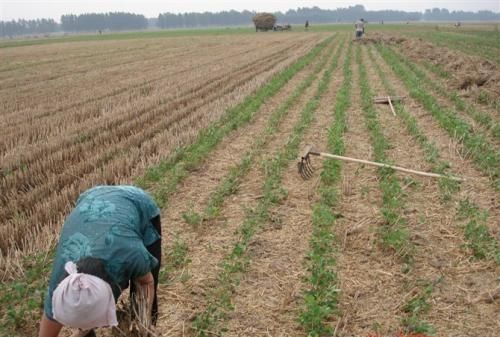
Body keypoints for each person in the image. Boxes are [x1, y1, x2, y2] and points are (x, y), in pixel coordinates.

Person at [38, 185, 162, 337]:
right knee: (85, 321)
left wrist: (143, 324)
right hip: (90, 200)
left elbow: (145, 283)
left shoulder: (130, 253)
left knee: (142, 306)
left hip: (135, 202)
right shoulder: (60, 290)